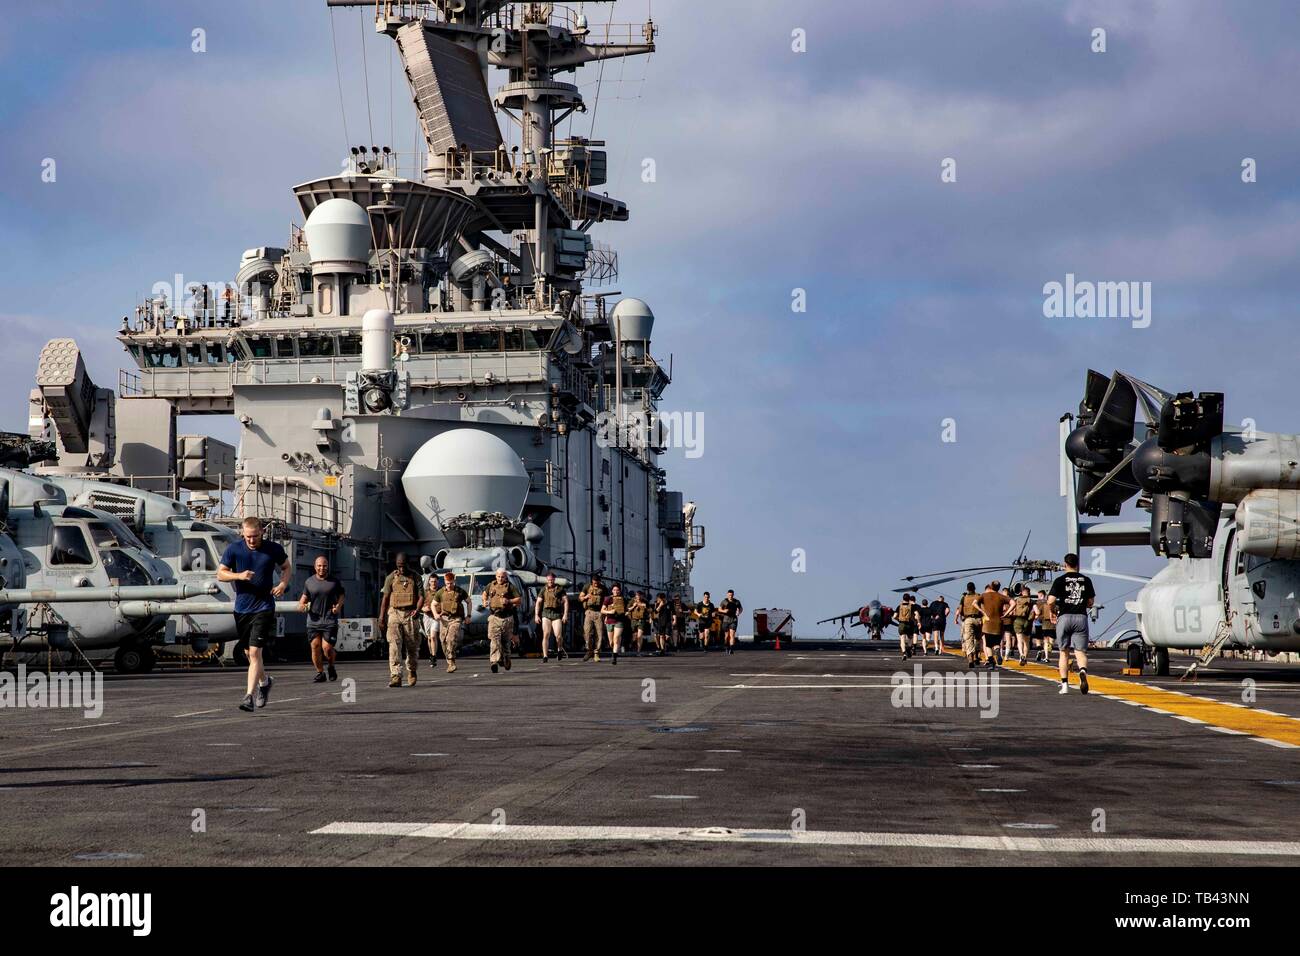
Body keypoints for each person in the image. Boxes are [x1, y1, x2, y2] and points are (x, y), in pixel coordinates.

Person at [218, 516, 291, 712]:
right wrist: (238, 575)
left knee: (255, 652)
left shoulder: (273, 549)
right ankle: (265, 682)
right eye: (248, 537)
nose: (251, 540)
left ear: (262, 533)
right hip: (242, 608)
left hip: (264, 607)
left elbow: (286, 567)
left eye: (255, 536)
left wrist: (283, 584)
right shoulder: (234, 549)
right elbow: (220, 573)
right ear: (243, 533)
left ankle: (248, 696)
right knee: (248, 653)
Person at [1047, 553, 1096, 695]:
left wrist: (1052, 611)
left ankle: (1065, 686)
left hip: (1064, 617)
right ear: (1077, 564)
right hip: (1081, 617)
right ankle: (1082, 671)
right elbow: (1090, 602)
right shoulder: (1086, 580)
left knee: (1064, 653)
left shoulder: (1060, 580)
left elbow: (1050, 601)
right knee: (1080, 652)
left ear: (1065, 564)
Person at [298, 555, 344, 683]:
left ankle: (331, 666)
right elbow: (304, 597)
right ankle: (320, 673)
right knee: (315, 646)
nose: (322, 568)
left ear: (327, 566)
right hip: (313, 621)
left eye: (324, 566)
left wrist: (338, 607)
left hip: (329, 619)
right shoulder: (309, 582)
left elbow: (341, 595)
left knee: (327, 648)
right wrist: (301, 605)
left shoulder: (334, 582)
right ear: (315, 567)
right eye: (319, 566)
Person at [380, 553, 422, 688]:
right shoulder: (390, 578)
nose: (402, 569)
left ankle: (412, 670)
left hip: (410, 613)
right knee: (394, 645)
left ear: (408, 564)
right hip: (394, 613)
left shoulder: (416, 577)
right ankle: (396, 675)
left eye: (404, 566)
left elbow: (421, 596)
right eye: (399, 566)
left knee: (412, 646)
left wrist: (418, 609)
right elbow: (385, 598)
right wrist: (382, 617)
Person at [425, 570, 469, 672]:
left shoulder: (460, 591)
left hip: (456, 619)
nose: (449, 585)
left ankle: (451, 661)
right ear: (445, 581)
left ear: (454, 581)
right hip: (444, 619)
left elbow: (469, 601)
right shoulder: (441, 592)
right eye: (447, 583)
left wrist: (468, 615)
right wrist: (435, 614)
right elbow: (433, 604)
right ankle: (449, 662)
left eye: (451, 583)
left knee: (450, 639)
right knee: (443, 641)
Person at [482, 567, 522, 673]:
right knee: (494, 640)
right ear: (496, 576)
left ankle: (506, 657)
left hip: (507, 618)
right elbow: (484, 594)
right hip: (494, 617)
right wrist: (485, 601)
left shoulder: (510, 587)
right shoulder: (491, 585)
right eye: (499, 576)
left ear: (506, 577)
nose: (500, 579)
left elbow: (519, 600)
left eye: (502, 577)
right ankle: (494, 661)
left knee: (505, 641)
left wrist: (509, 601)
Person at [533, 571, 569, 663]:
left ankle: (559, 649)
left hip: (556, 614)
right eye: (549, 580)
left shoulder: (560, 589)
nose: (550, 582)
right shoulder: (543, 589)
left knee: (558, 636)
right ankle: (545, 656)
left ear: (554, 580)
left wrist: (565, 614)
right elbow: (538, 602)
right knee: (546, 634)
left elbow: (566, 601)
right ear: (547, 580)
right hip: (546, 614)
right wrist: (536, 615)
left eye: (552, 580)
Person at [978, 580, 1011, 669]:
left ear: (991, 586)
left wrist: (983, 612)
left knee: (988, 645)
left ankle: (992, 663)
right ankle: (997, 650)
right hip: (998, 624)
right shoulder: (1001, 596)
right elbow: (1013, 603)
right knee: (996, 643)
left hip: (988, 624)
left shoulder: (984, 595)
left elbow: (974, 603)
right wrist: (1006, 613)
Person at [580, 573, 608, 662]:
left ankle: (596, 653)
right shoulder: (587, 586)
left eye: (597, 582)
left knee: (599, 634)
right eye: (594, 582)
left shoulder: (603, 588)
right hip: (589, 612)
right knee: (587, 632)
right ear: (592, 581)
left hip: (599, 613)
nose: (596, 583)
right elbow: (580, 598)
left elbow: (607, 601)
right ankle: (589, 651)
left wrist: (606, 615)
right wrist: (585, 597)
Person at [954, 582, 982, 668]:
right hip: (978, 619)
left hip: (968, 619)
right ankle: (977, 655)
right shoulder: (979, 596)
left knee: (969, 639)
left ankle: (970, 659)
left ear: (967, 589)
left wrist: (957, 618)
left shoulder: (964, 598)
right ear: (975, 588)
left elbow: (960, 610)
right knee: (978, 638)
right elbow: (982, 608)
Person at [602, 583, 629, 664]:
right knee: (611, 642)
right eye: (614, 590)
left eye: (617, 590)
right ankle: (615, 648)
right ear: (612, 591)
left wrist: (627, 612)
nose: (616, 591)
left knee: (616, 638)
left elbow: (627, 609)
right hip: (610, 621)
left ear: (620, 591)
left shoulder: (623, 599)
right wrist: (609, 611)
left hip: (619, 621)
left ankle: (614, 658)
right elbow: (602, 610)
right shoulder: (608, 599)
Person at [1010, 584, 1035, 667]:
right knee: (1026, 642)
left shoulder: (1017, 600)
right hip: (1027, 622)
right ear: (1029, 593)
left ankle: (1021, 655)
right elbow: (1037, 612)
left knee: (1019, 640)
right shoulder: (1031, 601)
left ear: (1021, 593)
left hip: (1018, 620)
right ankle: (1025, 657)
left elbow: (1012, 612)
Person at [894, 593, 918, 660]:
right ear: (909, 599)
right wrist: (918, 621)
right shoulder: (912, 606)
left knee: (902, 639)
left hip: (901, 624)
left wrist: (898, 620)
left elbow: (894, 616)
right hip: (910, 624)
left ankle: (904, 653)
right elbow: (917, 614)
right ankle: (909, 648)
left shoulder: (899, 606)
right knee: (910, 638)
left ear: (903, 598)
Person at [719, 589, 743, 655]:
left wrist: (739, 612)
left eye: (731, 595)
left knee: (732, 635)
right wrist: (724, 611)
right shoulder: (724, 601)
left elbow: (741, 608)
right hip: (726, 620)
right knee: (726, 636)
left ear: (733, 595)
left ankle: (731, 649)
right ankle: (727, 647)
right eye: (729, 595)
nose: (730, 596)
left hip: (733, 620)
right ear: (727, 595)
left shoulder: (737, 602)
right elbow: (719, 609)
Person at [1034, 589, 1055, 662]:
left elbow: (1037, 613)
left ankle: (1040, 650)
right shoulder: (1053, 605)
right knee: (1051, 641)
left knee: (1039, 639)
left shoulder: (1037, 603)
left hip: (1040, 623)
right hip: (1052, 624)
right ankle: (1046, 653)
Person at [628, 590, 648, 656]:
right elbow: (627, 609)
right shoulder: (632, 601)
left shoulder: (645, 601)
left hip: (642, 620)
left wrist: (645, 607)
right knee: (634, 636)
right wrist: (634, 606)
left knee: (640, 636)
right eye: (637, 595)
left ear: (642, 596)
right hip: (633, 620)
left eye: (640, 595)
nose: (638, 597)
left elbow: (650, 610)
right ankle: (633, 646)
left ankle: (638, 650)